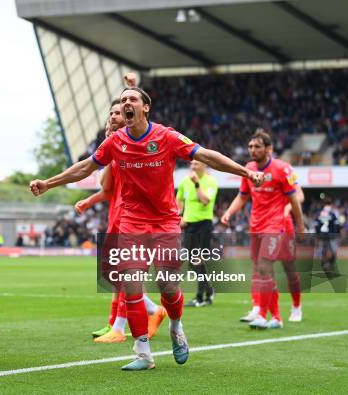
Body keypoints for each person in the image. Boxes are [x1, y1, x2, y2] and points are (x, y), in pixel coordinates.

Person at [30, 86, 264, 371]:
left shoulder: (166, 136)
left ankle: (176, 327)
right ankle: (143, 351)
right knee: (130, 282)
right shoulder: (116, 141)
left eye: (133, 99)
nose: (127, 103)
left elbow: (207, 156)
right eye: (123, 99)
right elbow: (85, 167)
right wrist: (48, 183)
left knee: (167, 285)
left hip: (165, 222)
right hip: (132, 221)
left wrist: (246, 171)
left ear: (145, 108)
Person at [76, 98, 166, 343]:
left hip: (133, 218)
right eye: (111, 114)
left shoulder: (131, 147)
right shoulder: (116, 146)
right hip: (118, 215)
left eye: (117, 113)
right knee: (115, 276)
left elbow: (106, 186)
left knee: (125, 275)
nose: (113, 117)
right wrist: (88, 202)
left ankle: (120, 325)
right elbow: (107, 189)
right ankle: (138, 314)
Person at [221, 130, 305, 329]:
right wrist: (229, 212)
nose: (252, 150)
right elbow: (242, 196)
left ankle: (292, 307)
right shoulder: (248, 169)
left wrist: (300, 224)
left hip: (277, 225)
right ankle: (268, 313)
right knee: (261, 270)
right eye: (250, 147)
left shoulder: (282, 169)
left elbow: (295, 197)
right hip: (256, 225)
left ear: (269, 149)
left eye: (257, 146)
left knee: (285, 269)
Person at [176, 160, 218, 307]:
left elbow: (205, 200)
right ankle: (209, 290)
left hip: (204, 224)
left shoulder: (210, 182)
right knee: (193, 262)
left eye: (196, 164)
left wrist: (197, 184)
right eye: (191, 164)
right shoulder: (184, 182)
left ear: (204, 166)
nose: (193, 166)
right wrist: (179, 216)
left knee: (197, 260)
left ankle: (200, 298)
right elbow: (179, 200)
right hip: (189, 226)